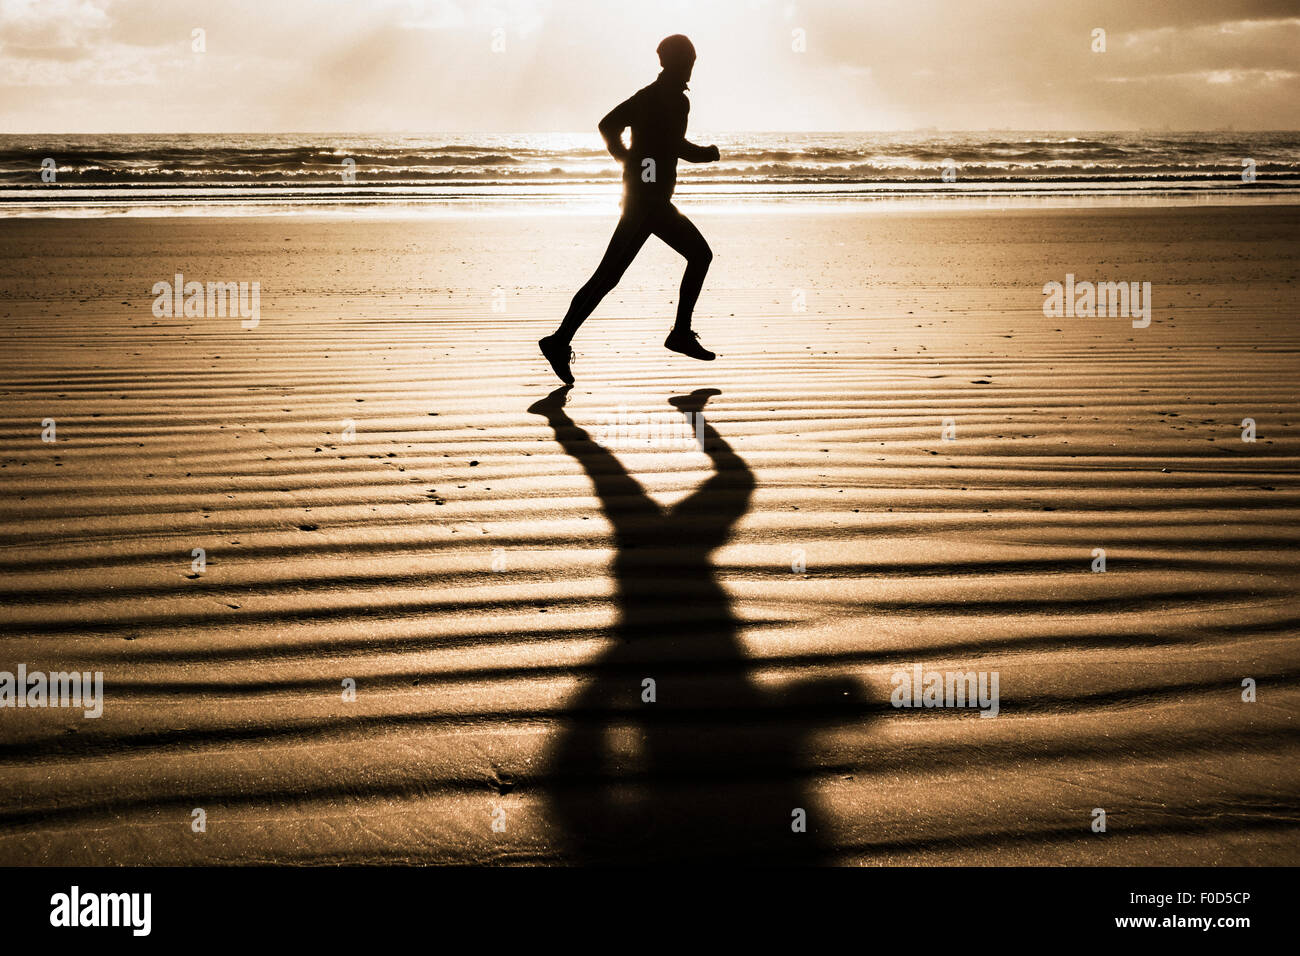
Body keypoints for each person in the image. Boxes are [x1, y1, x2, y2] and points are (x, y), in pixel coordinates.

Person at [539, 34, 721, 385]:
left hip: (645, 199)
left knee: (609, 276)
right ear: (677, 61)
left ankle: (560, 340)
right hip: (647, 204)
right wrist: (706, 153)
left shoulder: (647, 96)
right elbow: (672, 143)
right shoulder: (669, 99)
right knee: (695, 256)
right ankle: (679, 334)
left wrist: (626, 159)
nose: (692, 65)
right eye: (689, 59)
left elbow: (609, 125)